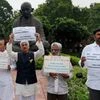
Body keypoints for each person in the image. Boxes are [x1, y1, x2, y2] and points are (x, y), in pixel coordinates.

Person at [6, 33, 44, 100]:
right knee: (21, 98)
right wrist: (10, 40)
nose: (24, 46)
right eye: (22, 45)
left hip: (31, 81)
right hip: (21, 81)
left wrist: (39, 40)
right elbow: (9, 52)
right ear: (20, 47)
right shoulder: (17, 55)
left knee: (32, 98)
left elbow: (41, 52)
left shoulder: (33, 55)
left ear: (28, 46)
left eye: (26, 44)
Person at [79, 28, 100, 100]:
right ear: (94, 36)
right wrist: (82, 62)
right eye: (98, 34)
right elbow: (82, 64)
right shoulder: (88, 48)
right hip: (94, 83)